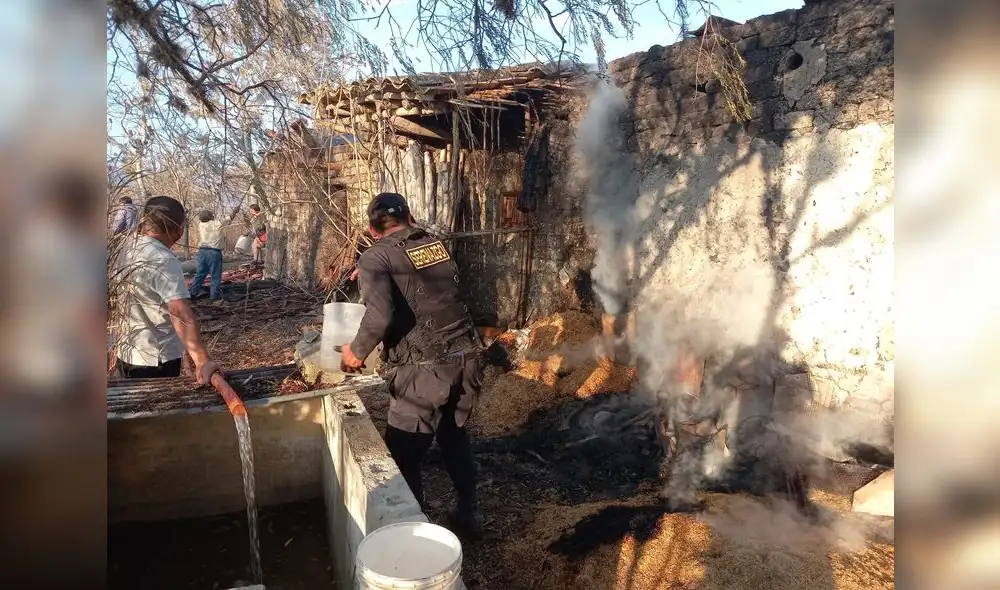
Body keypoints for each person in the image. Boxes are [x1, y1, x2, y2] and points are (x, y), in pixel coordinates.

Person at [341, 193, 486, 537]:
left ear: (372, 228)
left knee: (403, 455)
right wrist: (372, 269)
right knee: (454, 437)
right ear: (408, 215)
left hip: (424, 372)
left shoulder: (376, 256)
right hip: (466, 359)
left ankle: (410, 533)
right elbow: (424, 288)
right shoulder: (434, 244)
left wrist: (355, 352)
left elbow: (380, 317)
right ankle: (467, 514)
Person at [115, 195, 223, 383]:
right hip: (155, 360)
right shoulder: (163, 259)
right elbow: (179, 314)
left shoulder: (124, 250)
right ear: (177, 230)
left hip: (126, 353)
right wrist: (203, 361)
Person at [190, 207, 239, 300]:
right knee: (215, 276)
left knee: (200, 274)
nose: (213, 216)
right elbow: (229, 219)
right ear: (210, 217)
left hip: (202, 252)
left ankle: (192, 293)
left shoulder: (200, 225)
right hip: (214, 253)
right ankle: (214, 297)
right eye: (211, 215)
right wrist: (235, 211)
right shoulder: (216, 224)